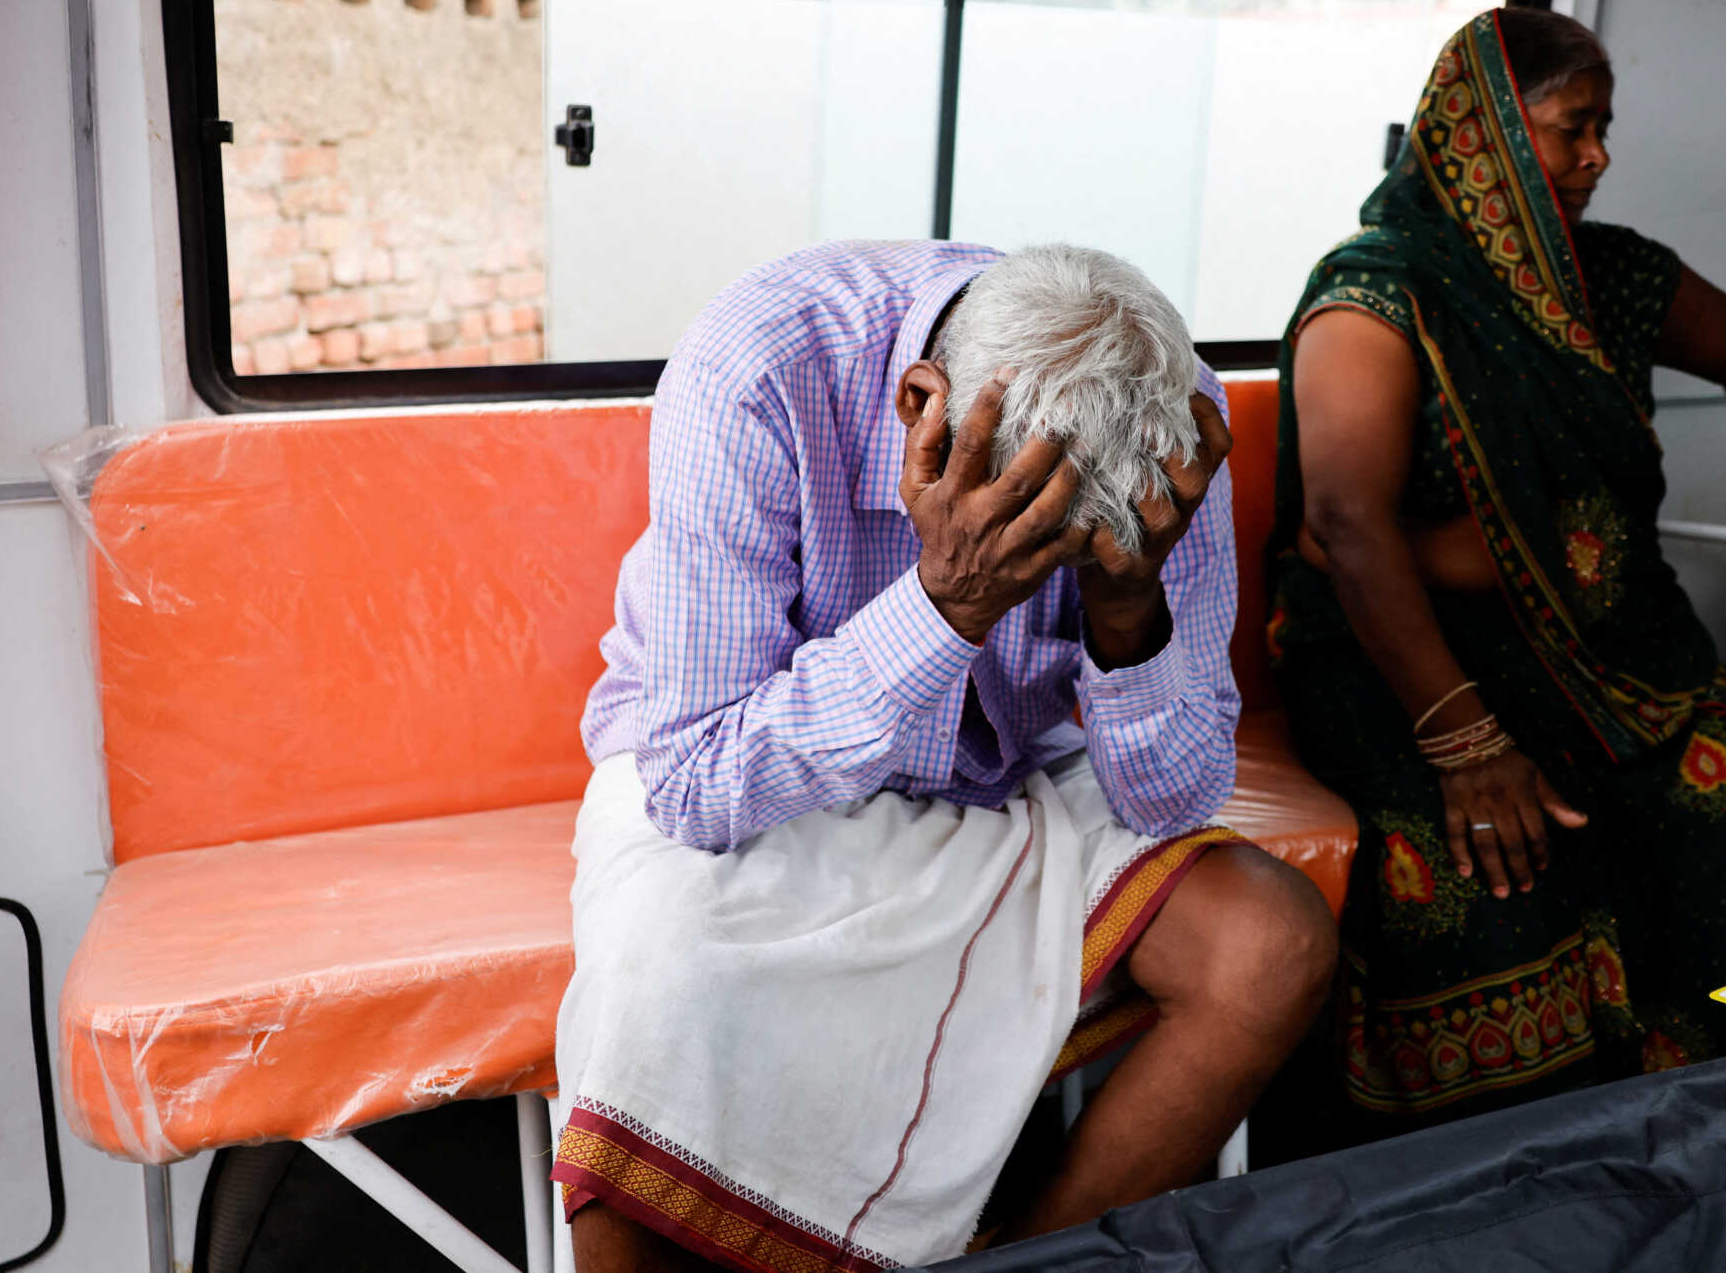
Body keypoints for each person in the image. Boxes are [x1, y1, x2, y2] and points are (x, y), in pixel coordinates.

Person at [553, 240, 1337, 1271]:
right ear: (922, 404)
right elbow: (699, 785)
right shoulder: (756, 368)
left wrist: (1125, 607)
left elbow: (1175, 798)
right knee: (657, 990)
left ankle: (1027, 1260)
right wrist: (946, 607)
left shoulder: (1160, 411)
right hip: (762, 771)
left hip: (1007, 772)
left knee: (1269, 947)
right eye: (1030, 524)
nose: (1051, 554)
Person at [1273, 7, 1726, 1127]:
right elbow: (1345, 526)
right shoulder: (1379, 291)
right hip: (1405, 656)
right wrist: (1465, 742)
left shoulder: (1610, 274)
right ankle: (1521, 1170)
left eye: (1604, 130)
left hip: (1609, 643)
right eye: (1570, 128)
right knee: (1489, 886)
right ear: (1483, 133)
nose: (1597, 156)